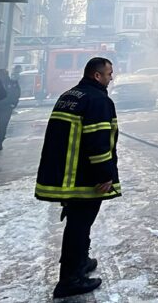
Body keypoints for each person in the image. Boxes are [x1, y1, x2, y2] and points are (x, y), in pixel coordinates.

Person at [36, 57, 120, 299]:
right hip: (84, 177)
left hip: (65, 173)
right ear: (97, 75)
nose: (111, 78)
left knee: (78, 222)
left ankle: (80, 260)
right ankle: (70, 279)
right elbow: (98, 141)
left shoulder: (70, 95)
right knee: (79, 226)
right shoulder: (98, 101)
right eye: (108, 73)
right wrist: (106, 174)